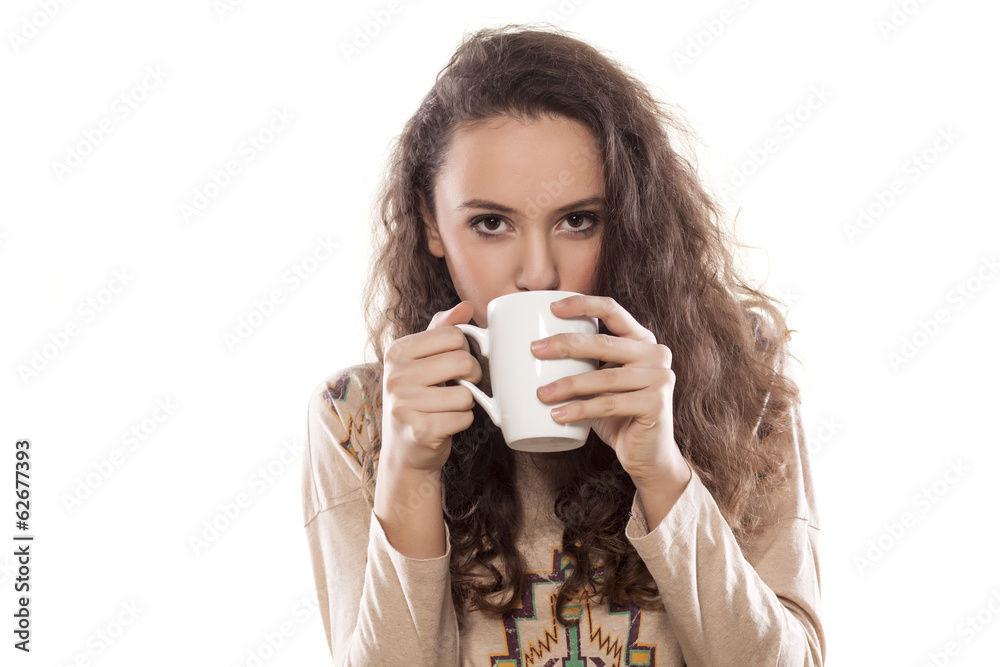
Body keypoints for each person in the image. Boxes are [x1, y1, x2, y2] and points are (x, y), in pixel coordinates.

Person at [301, 23, 824, 666]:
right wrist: (408, 475)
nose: (539, 274)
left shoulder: (741, 374)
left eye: (578, 221)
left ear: (628, 217)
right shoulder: (357, 417)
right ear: (432, 224)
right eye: (490, 224)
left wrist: (662, 472)